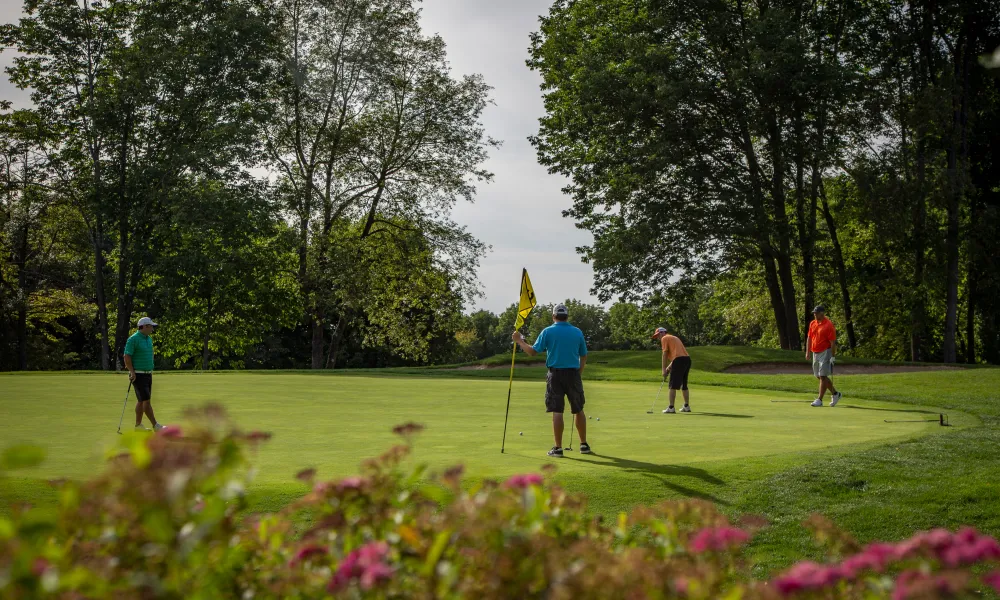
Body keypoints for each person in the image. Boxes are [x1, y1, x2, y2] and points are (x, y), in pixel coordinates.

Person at [512, 304, 591, 457]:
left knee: (557, 410)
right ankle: (584, 445)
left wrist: (519, 341)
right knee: (578, 409)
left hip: (555, 375)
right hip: (573, 374)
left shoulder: (548, 331)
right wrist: (578, 373)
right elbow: (584, 355)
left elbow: (533, 352)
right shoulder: (577, 332)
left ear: (553, 316)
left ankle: (558, 448)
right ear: (567, 316)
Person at [123, 316, 167, 431]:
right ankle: (156, 425)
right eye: (151, 326)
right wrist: (131, 372)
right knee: (146, 401)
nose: (152, 329)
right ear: (145, 327)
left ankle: (138, 426)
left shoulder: (148, 339)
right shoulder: (133, 339)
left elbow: (151, 354)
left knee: (141, 401)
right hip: (138, 374)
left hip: (148, 374)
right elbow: (127, 356)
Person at [805, 305, 842, 407]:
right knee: (819, 376)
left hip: (825, 352)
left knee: (822, 376)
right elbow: (809, 338)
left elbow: (832, 342)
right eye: (814, 313)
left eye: (816, 313)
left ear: (822, 313)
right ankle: (835, 393)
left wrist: (833, 356)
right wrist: (807, 352)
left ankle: (819, 400)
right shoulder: (813, 323)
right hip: (815, 352)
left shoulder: (828, 325)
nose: (814, 314)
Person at [651, 327, 692, 413]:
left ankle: (671, 407)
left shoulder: (665, 338)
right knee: (684, 384)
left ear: (662, 333)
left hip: (679, 360)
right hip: (687, 359)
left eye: (658, 335)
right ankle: (686, 406)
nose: (658, 338)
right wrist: (669, 368)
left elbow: (665, 354)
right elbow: (677, 356)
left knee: (672, 385)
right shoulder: (674, 337)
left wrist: (663, 370)